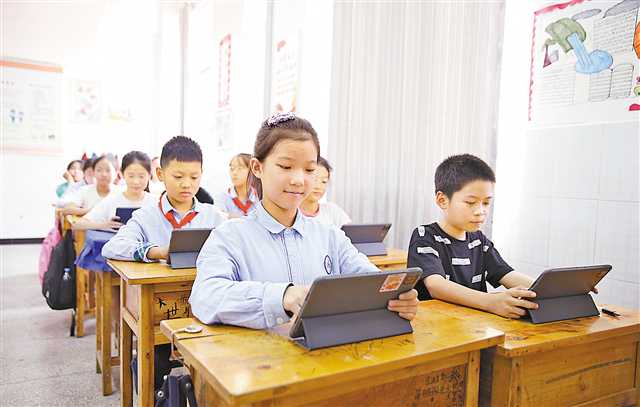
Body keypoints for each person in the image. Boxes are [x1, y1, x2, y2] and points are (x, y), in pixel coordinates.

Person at [189, 112, 419, 329]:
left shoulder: (329, 235)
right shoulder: (230, 236)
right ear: (257, 168)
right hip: (259, 356)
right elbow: (205, 296)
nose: (299, 180)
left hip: (325, 354)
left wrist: (396, 297)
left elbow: (370, 278)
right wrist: (282, 296)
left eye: (309, 170)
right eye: (285, 167)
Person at [102, 136, 226, 262]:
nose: (186, 184)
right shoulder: (145, 216)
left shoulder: (214, 216)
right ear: (160, 174)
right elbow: (112, 247)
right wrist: (157, 252)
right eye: (178, 177)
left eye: (194, 177)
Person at [299, 156, 351, 228]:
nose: (319, 186)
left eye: (324, 181)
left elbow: (353, 233)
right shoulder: (289, 214)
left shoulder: (332, 211)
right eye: (314, 180)